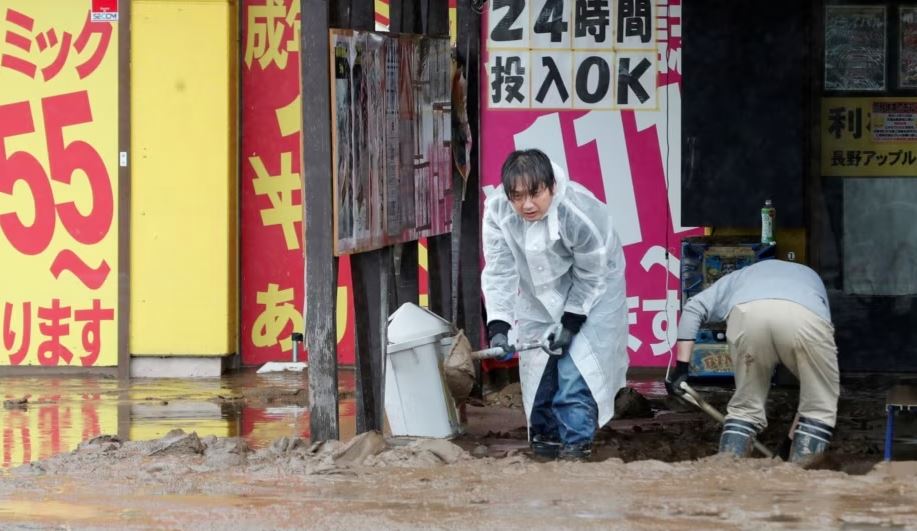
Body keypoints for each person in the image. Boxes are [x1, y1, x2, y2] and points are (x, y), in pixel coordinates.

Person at [481, 148, 629, 461]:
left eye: (535, 193)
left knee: (576, 375)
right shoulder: (497, 212)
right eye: (517, 196)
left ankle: (576, 453)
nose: (527, 205)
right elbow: (499, 270)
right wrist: (499, 326)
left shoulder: (579, 213)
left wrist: (572, 322)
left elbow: (593, 274)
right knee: (538, 380)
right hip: (537, 298)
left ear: (551, 186)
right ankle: (545, 450)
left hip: (594, 294)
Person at [666, 259, 840, 466]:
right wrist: (789, 446)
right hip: (805, 316)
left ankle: (725, 475)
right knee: (819, 407)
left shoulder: (738, 277)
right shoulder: (812, 278)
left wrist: (682, 369)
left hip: (749, 316)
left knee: (745, 409)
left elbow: (693, 308)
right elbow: (812, 397)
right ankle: (801, 479)